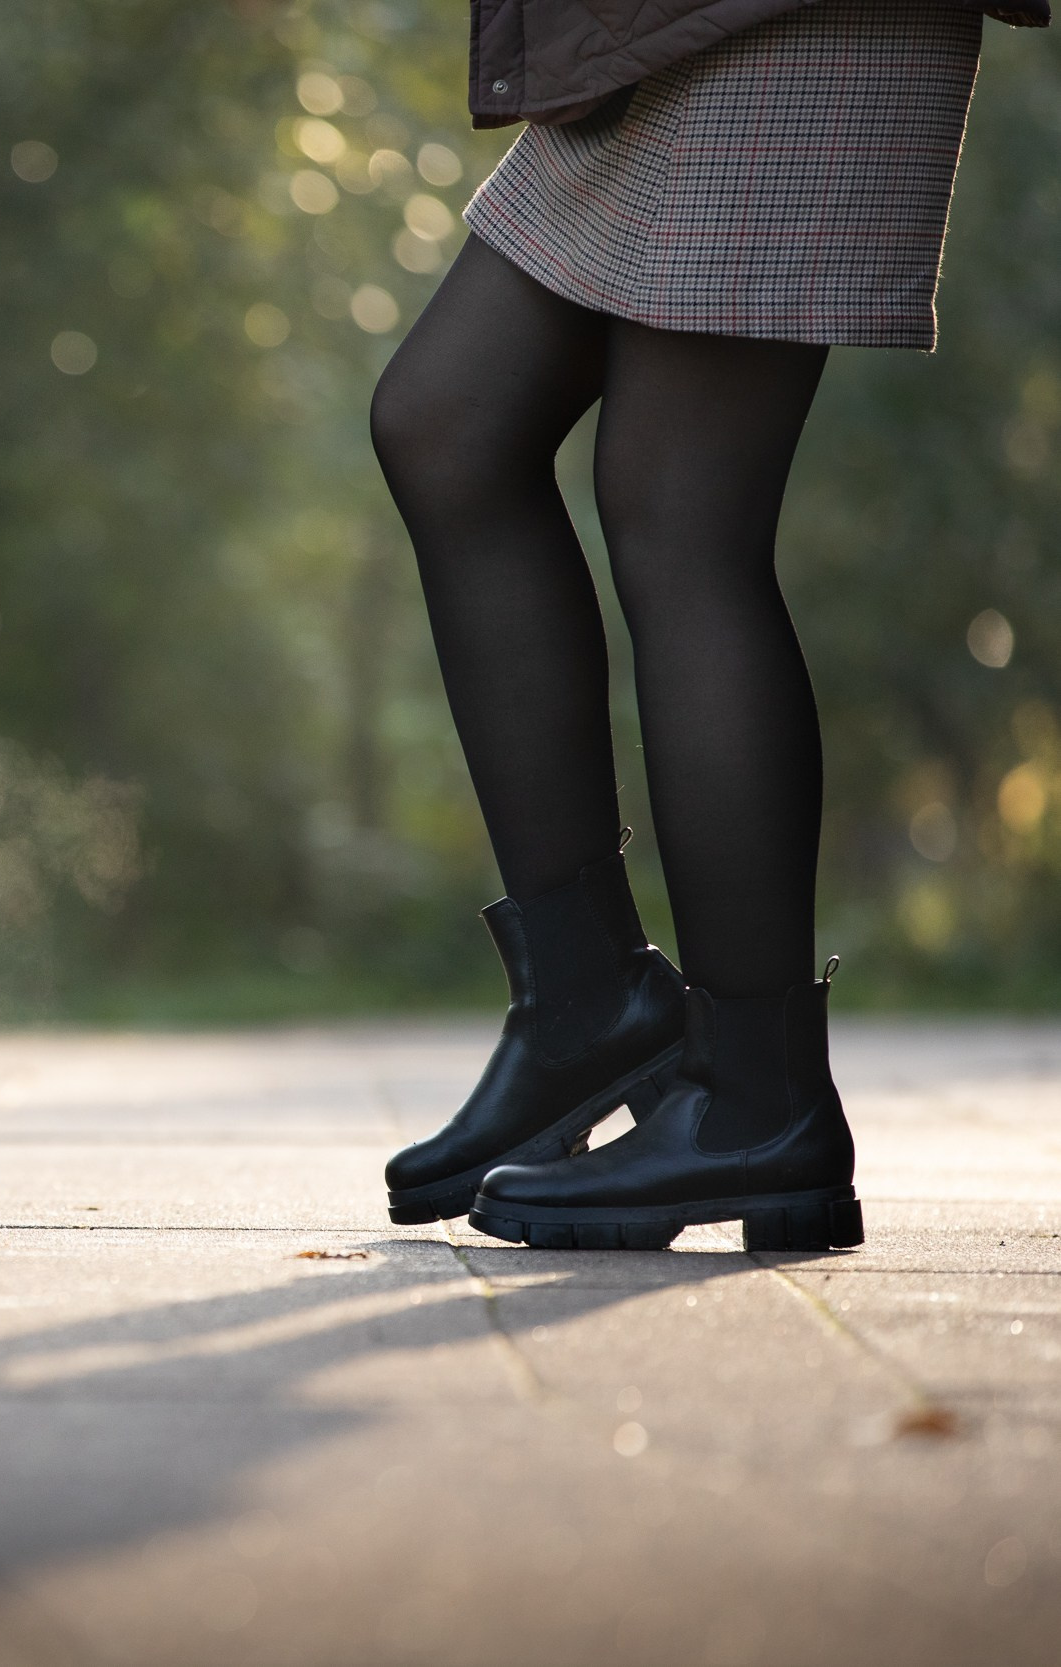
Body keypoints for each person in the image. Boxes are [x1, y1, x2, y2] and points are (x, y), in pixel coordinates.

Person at [372, 0, 1048, 1251]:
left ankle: (757, 1093)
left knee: (681, 511)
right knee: (446, 427)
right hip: (653, 31)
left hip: (794, 20)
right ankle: (586, 1003)